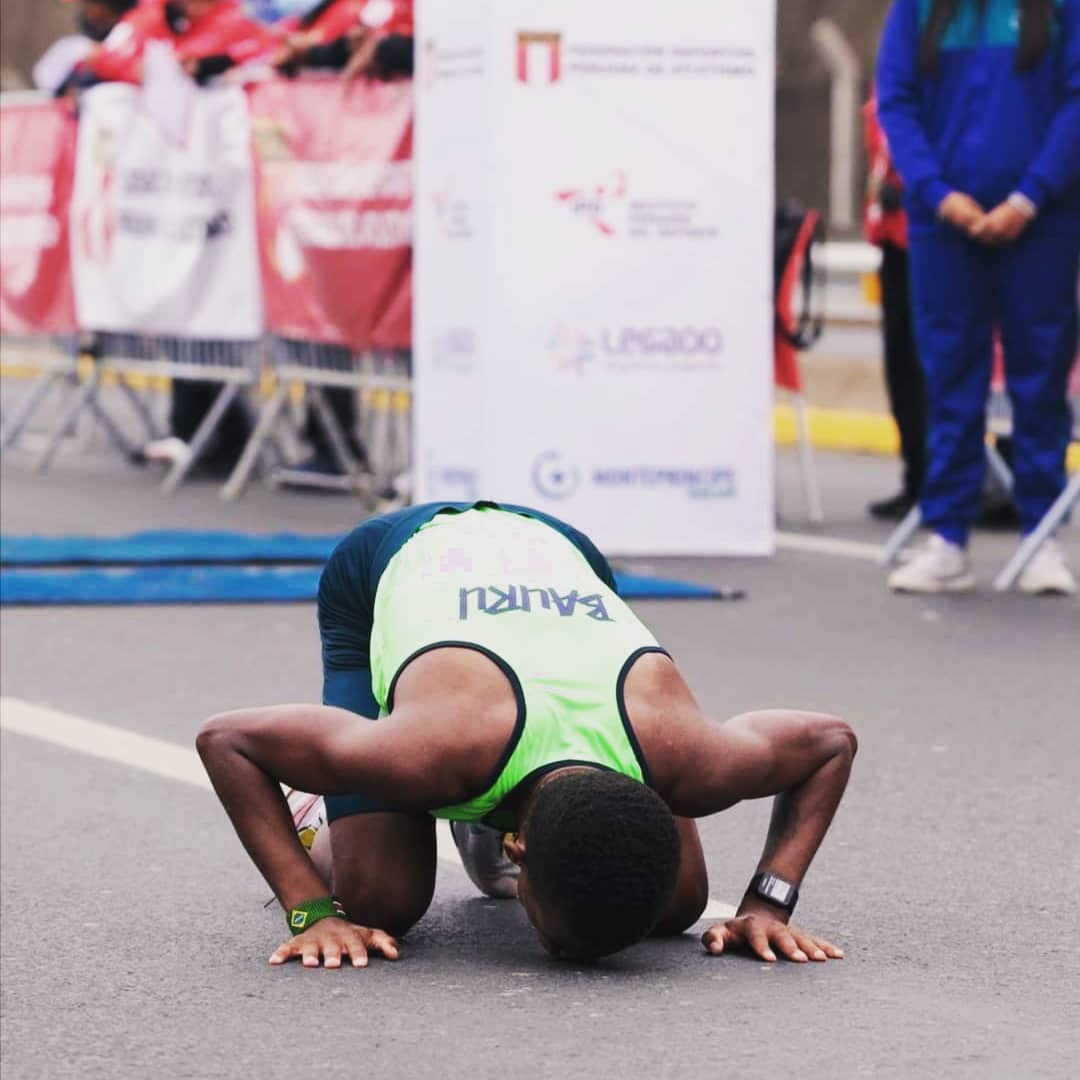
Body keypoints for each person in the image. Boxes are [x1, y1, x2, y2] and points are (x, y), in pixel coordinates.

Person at [198, 501, 856, 967]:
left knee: (677, 904)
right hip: (396, 554)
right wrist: (311, 913)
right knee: (381, 899)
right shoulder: (432, 747)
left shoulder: (686, 750)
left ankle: (479, 811)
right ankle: (321, 806)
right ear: (517, 847)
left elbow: (829, 742)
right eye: (557, 943)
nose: (566, 957)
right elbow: (229, 740)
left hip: (563, 550)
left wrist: (768, 906)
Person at [877, 0, 1080, 595]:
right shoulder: (917, 9)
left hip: (1042, 220)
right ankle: (947, 538)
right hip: (944, 223)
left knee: (1040, 377)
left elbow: (1076, 98)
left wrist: (1030, 195)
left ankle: (1041, 538)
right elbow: (896, 100)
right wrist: (939, 194)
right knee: (950, 377)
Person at [863, 92, 928, 522]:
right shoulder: (894, 73)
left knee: (925, 363)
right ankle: (917, 477)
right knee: (901, 363)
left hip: (928, 233)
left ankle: (937, 480)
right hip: (894, 237)